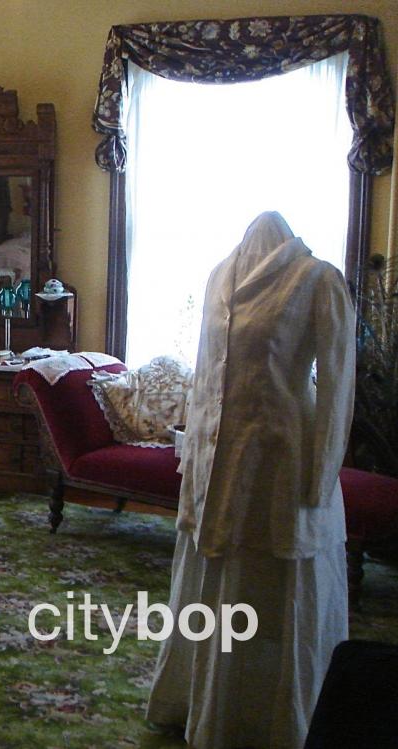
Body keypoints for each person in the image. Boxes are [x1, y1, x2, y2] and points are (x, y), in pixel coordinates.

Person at [146, 211, 355, 748]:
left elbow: (338, 384)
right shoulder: (219, 275)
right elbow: (205, 374)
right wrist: (191, 458)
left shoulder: (318, 279)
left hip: (282, 465)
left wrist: (321, 475)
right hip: (219, 460)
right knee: (215, 581)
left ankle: (277, 719)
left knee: (273, 587)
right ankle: (202, 703)